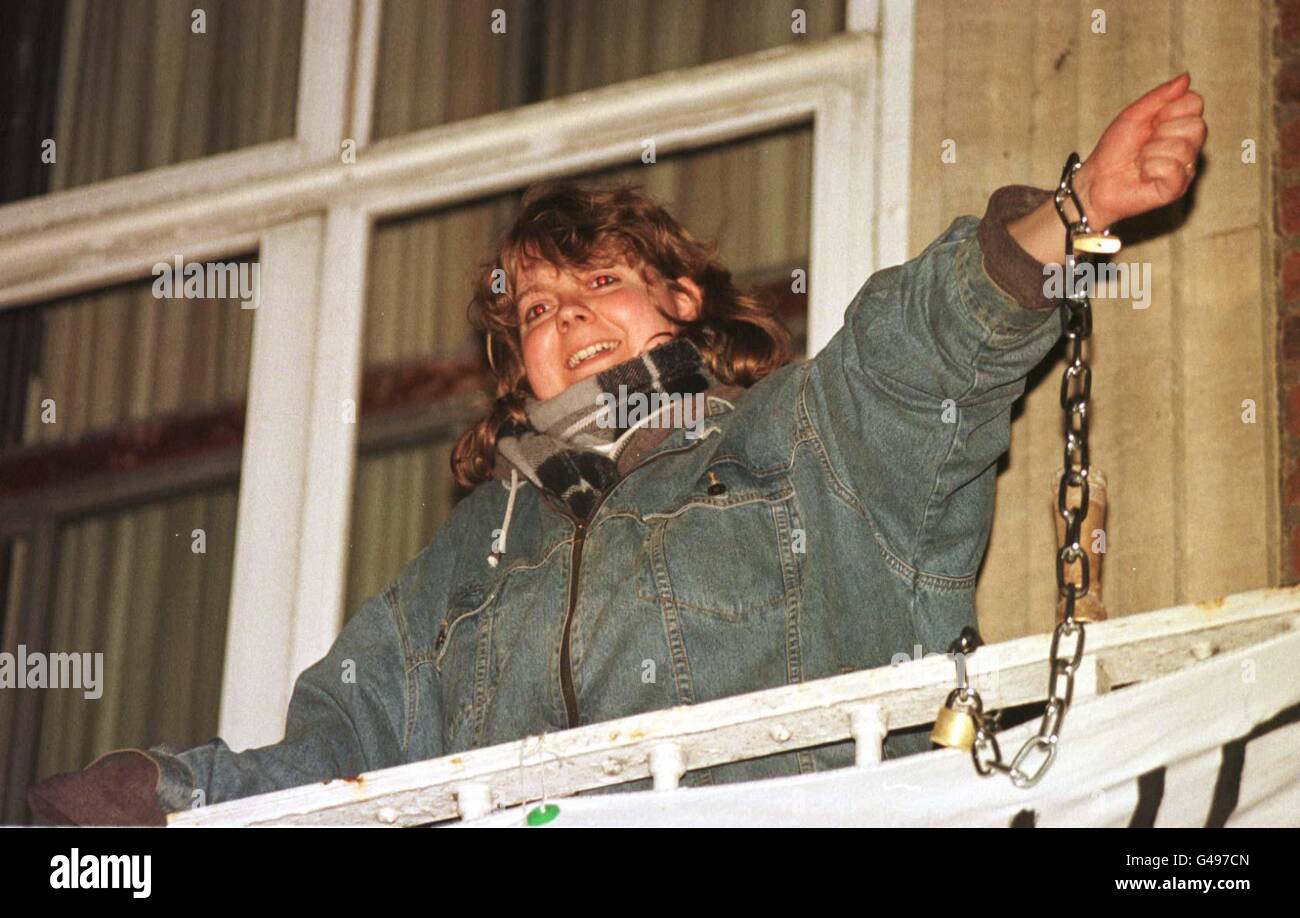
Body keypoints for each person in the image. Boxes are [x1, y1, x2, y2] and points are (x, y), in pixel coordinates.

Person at [27, 74, 1206, 826]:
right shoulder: (462, 572)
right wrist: (166, 795)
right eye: (536, 314)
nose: (566, 320)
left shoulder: (803, 441)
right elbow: (340, 759)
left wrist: (1069, 210)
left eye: (598, 283)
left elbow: (918, 358)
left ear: (684, 302)